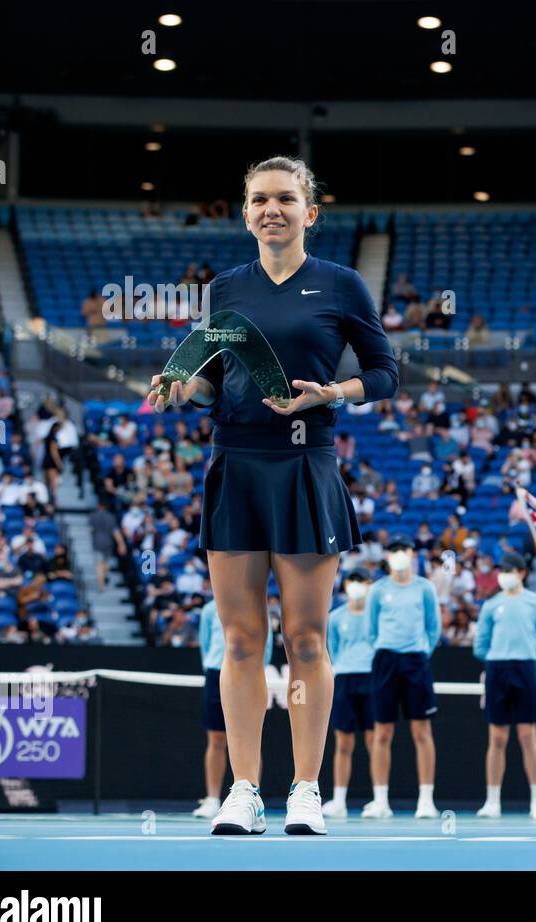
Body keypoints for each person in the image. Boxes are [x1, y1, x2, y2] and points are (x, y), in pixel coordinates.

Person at [148, 155, 399, 836]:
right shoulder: (225, 288)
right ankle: (245, 790)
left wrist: (333, 393)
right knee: (238, 640)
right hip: (235, 463)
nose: (272, 210)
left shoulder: (341, 285)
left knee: (307, 639)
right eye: (259, 199)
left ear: (309, 212)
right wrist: (182, 387)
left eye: (286, 199)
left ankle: (307, 791)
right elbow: (209, 379)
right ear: (245, 211)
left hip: (304, 468)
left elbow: (386, 373)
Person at [363, 535, 441, 819]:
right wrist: (386, 651)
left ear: (412, 553)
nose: (399, 554)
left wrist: (419, 654)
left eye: (403, 549)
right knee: (382, 732)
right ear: (388, 555)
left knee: (422, 732)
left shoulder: (425, 588)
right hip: (386, 660)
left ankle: (426, 800)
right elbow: (371, 630)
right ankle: (380, 799)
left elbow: (433, 628)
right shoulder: (378, 590)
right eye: (394, 550)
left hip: (416, 662)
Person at [473, 551, 536, 817]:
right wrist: (496, 658)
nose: (504, 575)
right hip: (497, 669)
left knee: (528, 735)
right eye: (501, 570)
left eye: (510, 570)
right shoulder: (492, 605)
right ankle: (492, 801)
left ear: (522, 573)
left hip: (526, 668)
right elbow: (480, 643)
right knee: (497, 737)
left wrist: (532, 658)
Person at [192, 598, 274, 819]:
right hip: (215, 672)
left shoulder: (258, 607)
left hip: (249, 676)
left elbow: (266, 643)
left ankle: (253, 796)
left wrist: (258, 672)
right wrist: (213, 667)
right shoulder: (210, 610)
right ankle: (212, 798)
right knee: (216, 739)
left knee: (250, 739)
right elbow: (205, 642)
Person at [321, 571, 379, 819]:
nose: (357, 586)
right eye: (352, 581)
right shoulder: (334, 618)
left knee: (374, 741)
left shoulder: (377, 616)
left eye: (362, 582)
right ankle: (339, 800)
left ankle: (380, 799)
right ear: (345, 585)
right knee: (343, 743)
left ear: (369, 585)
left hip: (372, 678)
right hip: (344, 679)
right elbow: (332, 649)